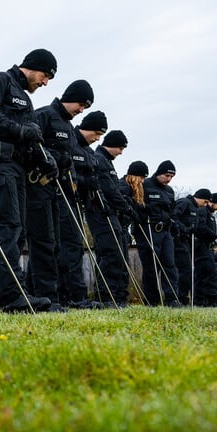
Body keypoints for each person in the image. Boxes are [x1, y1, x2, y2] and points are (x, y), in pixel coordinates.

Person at [0, 49, 59, 313]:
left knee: (16, 231)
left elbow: (31, 138)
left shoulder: (26, 100)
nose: (44, 83)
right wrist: (22, 131)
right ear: (32, 67)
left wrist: (44, 159)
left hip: (17, 167)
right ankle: (13, 295)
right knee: (7, 228)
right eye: (45, 76)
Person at [25, 80, 94, 313]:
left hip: (61, 192)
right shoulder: (44, 115)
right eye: (81, 104)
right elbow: (29, 145)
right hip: (39, 187)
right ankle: (44, 296)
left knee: (54, 246)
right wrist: (53, 158)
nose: (82, 111)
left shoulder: (70, 129)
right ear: (70, 97)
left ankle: (53, 295)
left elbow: (70, 160)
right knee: (43, 243)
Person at [59, 111, 109, 308]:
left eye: (101, 136)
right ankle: (72, 296)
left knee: (75, 248)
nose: (97, 139)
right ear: (85, 127)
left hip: (80, 203)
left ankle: (74, 294)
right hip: (63, 201)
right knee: (68, 249)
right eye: (96, 133)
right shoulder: (70, 141)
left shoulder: (89, 152)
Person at [87, 129, 135, 307]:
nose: (121, 152)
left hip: (110, 213)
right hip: (101, 212)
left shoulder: (107, 161)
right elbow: (110, 190)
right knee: (110, 254)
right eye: (121, 148)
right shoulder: (100, 159)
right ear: (113, 145)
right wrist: (127, 208)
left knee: (117, 254)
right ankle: (105, 296)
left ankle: (116, 296)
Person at [134, 160, 180, 307]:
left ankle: (171, 298)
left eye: (171, 177)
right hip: (149, 229)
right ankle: (151, 300)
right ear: (159, 173)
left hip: (165, 231)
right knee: (151, 267)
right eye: (166, 175)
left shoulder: (169, 191)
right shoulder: (144, 184)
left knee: (170, 265)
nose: (168, 179)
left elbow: (172, 210)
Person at [172, 188, 212, 305]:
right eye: (205, 202)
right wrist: (184, 229)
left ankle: (182, 297)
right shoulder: (184, 203)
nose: (205, 205)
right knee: (185, 269)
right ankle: (179, 297)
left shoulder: (195, 208)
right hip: (178, 239)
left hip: (187, 241)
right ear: (199, 197)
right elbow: (174, 216)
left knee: (188, 270)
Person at [118, 160, 150, 303]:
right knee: (118, 262)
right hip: (119, 227)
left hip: (125, 229)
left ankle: (122, 295)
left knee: (124, 264)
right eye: (142, 178)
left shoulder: (133, 190)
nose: (142, 181)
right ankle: (117, 295)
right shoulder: (123, 187)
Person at [194, 192, 217, 306]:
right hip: (202, 246)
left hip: (209, 246)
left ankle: (203, 300)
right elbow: (201, 228)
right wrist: (216, 236)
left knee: (206, 273)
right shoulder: (202, 212)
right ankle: (208, 299)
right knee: (208, 272)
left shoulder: (210, 215)